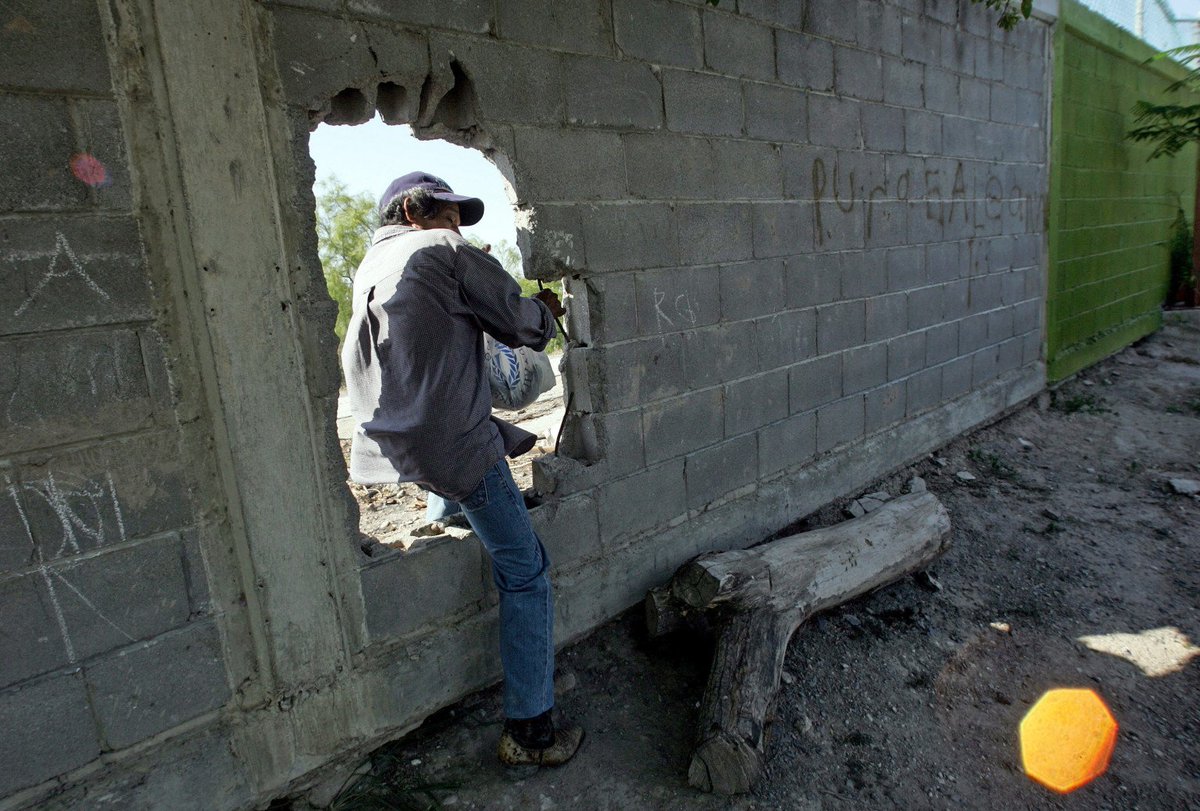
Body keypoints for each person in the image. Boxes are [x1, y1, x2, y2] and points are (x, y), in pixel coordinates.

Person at [340, 171, 583, 767]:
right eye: (451, 214)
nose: (458, 227)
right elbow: (519, 322)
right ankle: (531, 730)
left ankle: (451, 511)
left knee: (459, 484)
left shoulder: (371, 266)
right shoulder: (442, 250)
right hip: (453, 444)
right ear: (417, 211)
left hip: (395, 447)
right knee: (526, 569)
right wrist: (546, 313)